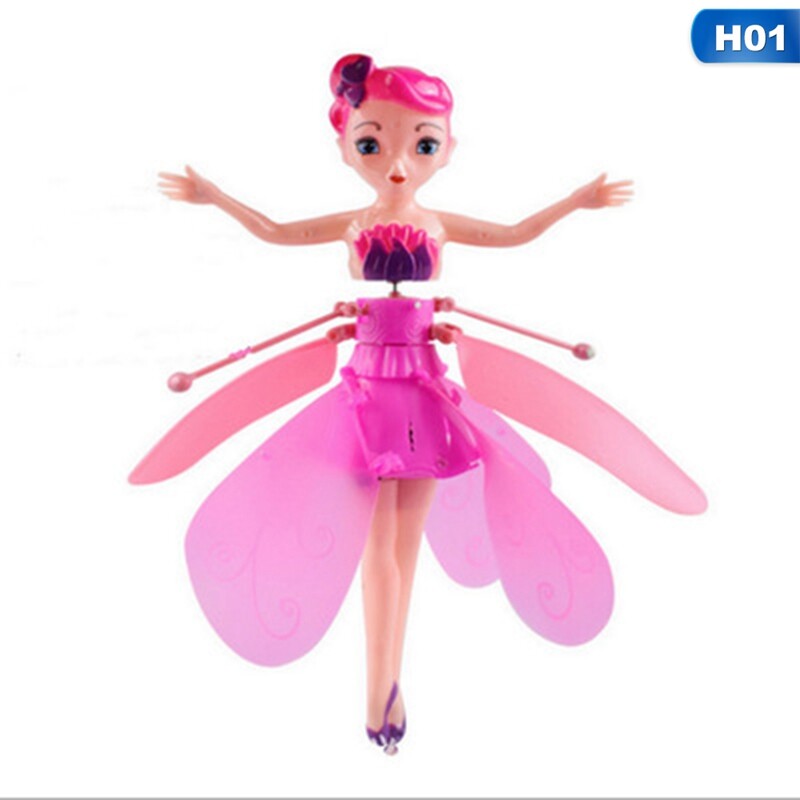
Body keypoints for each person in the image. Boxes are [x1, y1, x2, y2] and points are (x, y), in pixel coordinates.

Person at [147, 54, 699, 755]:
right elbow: (278, 231)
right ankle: (379, 687)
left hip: (426, 396)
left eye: (423, 144)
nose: (399, 166)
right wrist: (214, 195)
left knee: (400, 550)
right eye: (373, 144)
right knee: (378, 548)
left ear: (448, 149)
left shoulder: (437, 226)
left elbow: (513, 233)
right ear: (345, 147)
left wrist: (574, 202)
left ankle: (389, 680)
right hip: (368, 398)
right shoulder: (353, 225)